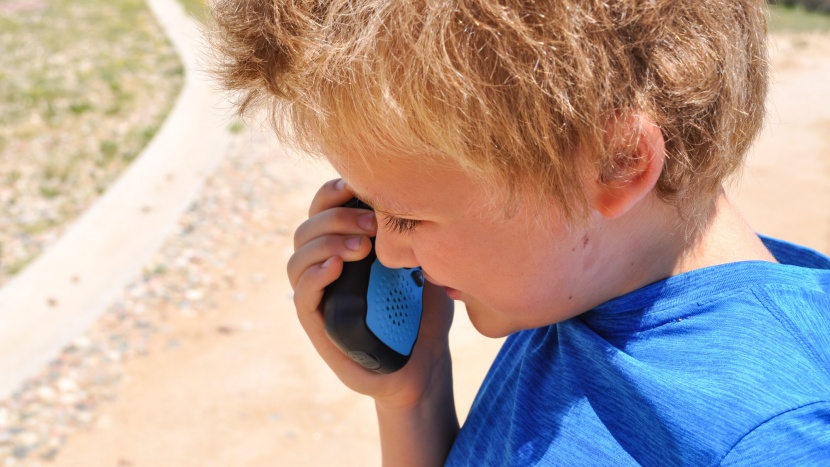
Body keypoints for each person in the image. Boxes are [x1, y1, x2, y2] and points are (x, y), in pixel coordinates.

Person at [209, 0, 830, 464]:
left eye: (407, 217)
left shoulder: (769, 439)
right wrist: (415, 401)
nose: (390, 252)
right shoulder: (587, 290)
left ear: (618, 162)